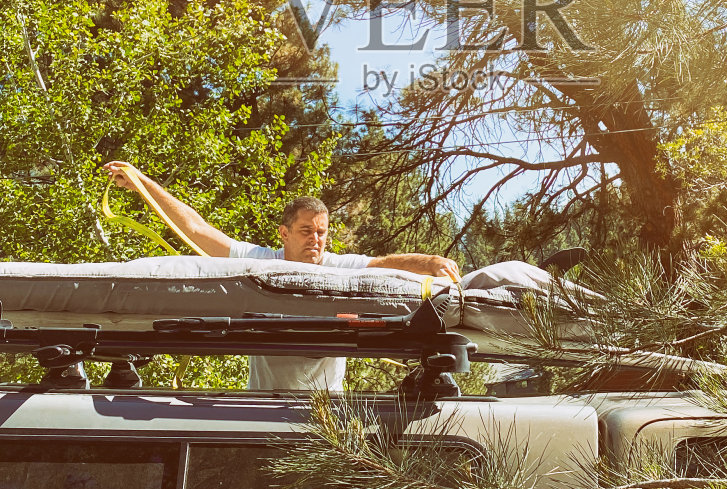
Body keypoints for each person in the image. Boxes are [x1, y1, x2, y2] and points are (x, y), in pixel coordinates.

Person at [102, 161, 460, 391]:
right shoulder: (259, 262)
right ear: (283, 234)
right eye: (306, 231)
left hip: (325, 413)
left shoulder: (338, 268)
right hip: (261, 407)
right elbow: (197, 229)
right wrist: (141, 182)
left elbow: (385, 263)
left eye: (322, 232)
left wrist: (429, 261)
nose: (316, 240)